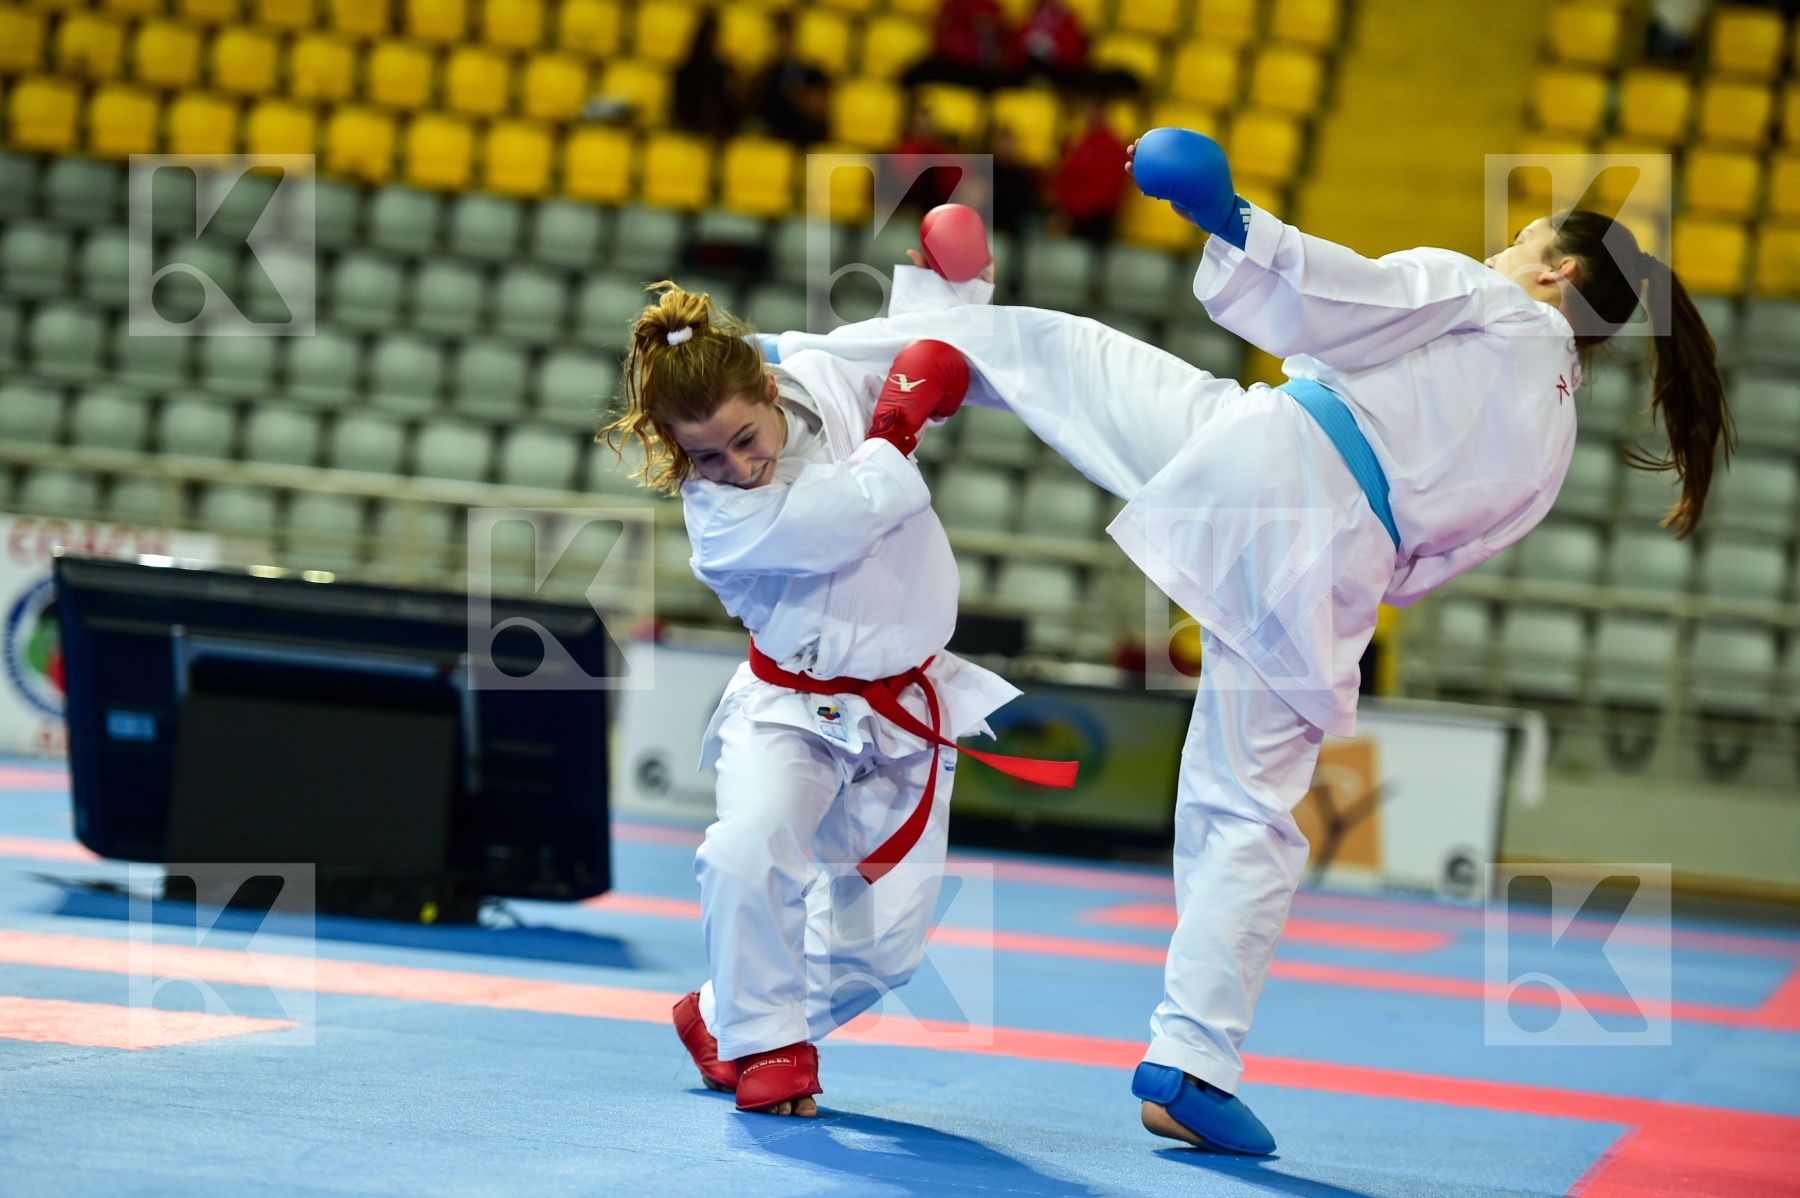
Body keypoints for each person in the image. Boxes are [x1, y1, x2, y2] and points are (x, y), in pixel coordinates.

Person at [762, 127, 1730, 1153]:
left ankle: (811, 363)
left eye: (1519, 242)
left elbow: (1352, 296)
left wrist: (1237, 224)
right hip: (1340, 575)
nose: (1500, 254)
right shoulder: (1552, 447)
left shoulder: (1494, 302)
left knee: (1055, 354)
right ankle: (1193, 1061)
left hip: (1272, 459)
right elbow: (1429, 563)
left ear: (1556, 270)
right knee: (1251, 814)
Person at [600, 227, 1073, 1118]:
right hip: (790, 707)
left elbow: (915, 353)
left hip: (904, 709)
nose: (738, 468)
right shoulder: (722, 522)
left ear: (771, 389)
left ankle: (718, 1019)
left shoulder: (819, 372)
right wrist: (897, 426)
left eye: (744, 438)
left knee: (884, 952)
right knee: (747, 848)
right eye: (706, 458)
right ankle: (772, 1046)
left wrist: (955, 287)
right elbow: (848, 513)